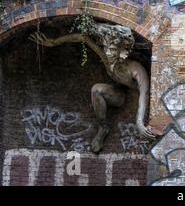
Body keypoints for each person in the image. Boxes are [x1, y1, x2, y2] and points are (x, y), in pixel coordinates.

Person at [30, 23, 162, 153]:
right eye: (107, 48)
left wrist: (139, 122)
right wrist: (54, 42)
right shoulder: (107, 57)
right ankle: (103, 128)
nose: (109, 53)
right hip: (119, 93)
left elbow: (144, 94)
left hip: (138, 98)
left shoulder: (134, 68)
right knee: (96, 89)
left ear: (122, 50)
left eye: (113, 49)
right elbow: (83, 38)